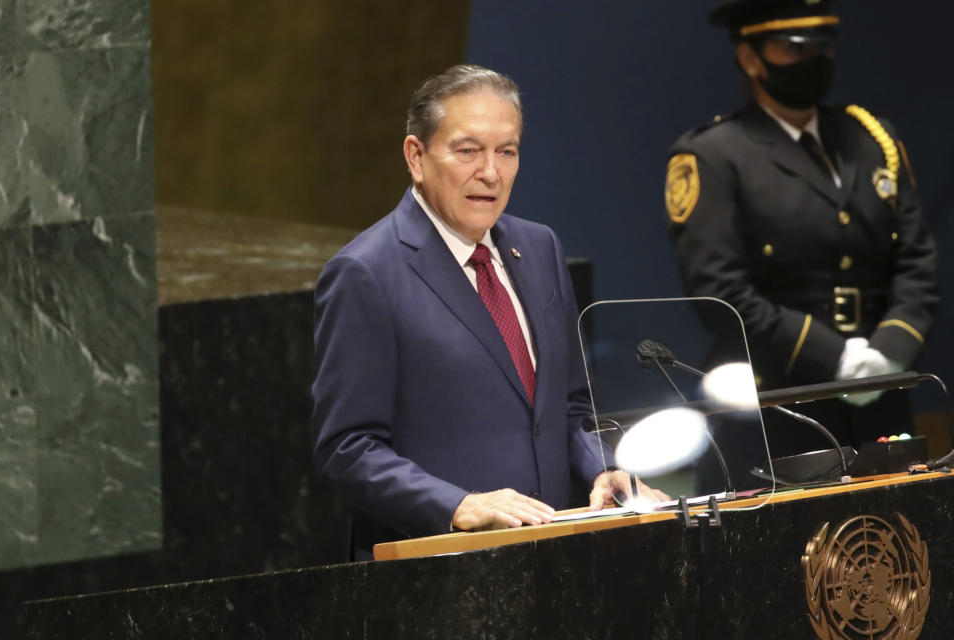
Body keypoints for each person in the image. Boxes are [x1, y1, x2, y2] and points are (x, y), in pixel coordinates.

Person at [312, 64, 664, 559]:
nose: (491, 173)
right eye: (467, 151)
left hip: (555, 557)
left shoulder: (539, 246)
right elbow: (347, 449)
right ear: (416, 156)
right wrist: (457, 505)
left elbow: (570, 407)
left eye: (507, 151)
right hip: (437, 571)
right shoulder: (365, 273)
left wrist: (602, 468)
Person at [665, 0, 938, 461]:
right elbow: (718, 289)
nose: (814, 60)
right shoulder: (713, 155)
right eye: (795, 49)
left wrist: (890, 352)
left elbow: (916, 262)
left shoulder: (872, 139)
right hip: (778, 405)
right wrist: (835, 357)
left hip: (882, 392)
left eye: (822, 48)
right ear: (750, 58)